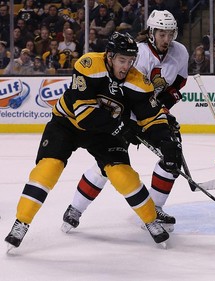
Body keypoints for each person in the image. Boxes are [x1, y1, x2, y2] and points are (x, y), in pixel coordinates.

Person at [4, 31, 182, 249]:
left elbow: (151, 118)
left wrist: (166, 141)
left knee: (122, 174)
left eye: (130, 61)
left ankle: (150, 219)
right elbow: (85, 115)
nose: (126, 66)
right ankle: (21, 221)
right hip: (67, 124)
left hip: (103, 134)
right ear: (109, 56)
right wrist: (122, 128)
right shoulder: (88, 65)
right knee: (49, 167)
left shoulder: (139, 82)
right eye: (121, 60)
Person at [61, 10, 189, 233]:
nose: (166, 39)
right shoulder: (136, 54)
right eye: (161, 34)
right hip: (124, 115)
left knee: (171, 154)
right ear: (151, 33)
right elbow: (121, 93)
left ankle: (154, 208)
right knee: (107, 165)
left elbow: (178, 83)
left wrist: (162, 109)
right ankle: (75, 209)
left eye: (170, 34)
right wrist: (131, 122)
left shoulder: (181, 52)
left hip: (151, 112)